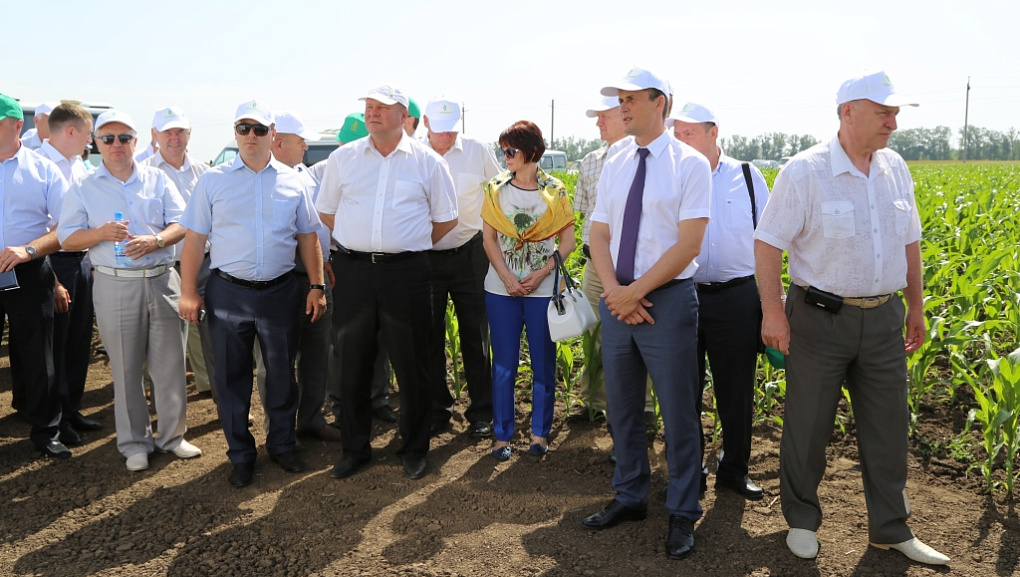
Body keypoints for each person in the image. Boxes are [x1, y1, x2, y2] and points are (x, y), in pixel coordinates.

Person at [755, 70, 949, 566]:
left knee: (888, 427)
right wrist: (774, 314)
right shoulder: (806, 170)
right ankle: (801, 520)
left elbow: (910, 241)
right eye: (884, 112)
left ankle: (890, 528)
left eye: (895, 113)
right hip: (818, 320)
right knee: (808, 425)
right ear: (847, 112)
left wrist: (917, 306)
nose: (893, 122)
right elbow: (768, 243)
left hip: (884, 319)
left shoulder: (894, 168)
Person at [580, 68, 710, 561]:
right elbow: (599, 233)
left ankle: (682, 510)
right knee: (623, 406)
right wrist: (616, 291)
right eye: (619, 98)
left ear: (661, 102)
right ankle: (631, 495)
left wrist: (636, 292)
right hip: (619, 300)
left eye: (631, 98)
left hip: (668, 301)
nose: (623, 106)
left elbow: (690, 243)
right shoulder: (616, 160)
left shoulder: (689, 164)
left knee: (678, 413)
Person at [178, 100, 327, 488]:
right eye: (243, 128)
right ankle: (241, 455)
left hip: (280, 293)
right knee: (231, 379)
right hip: (228, 293)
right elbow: (195, 239)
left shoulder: (294, 180)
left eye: (259, 129)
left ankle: (282, 446)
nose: (251, 136)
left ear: (272, 134)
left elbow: (307, 236)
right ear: (235, 132)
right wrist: (189, 291)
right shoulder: (213, 180)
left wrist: (316, 286)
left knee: (280, 375)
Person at [316, 84, 457, 481]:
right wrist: (362, 243)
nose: (373, 113)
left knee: (412, 364)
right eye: (369, 106)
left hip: (407, 274)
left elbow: (446, 220)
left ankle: (413, 448)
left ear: (404, 117)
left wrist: (404, 245)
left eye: (383, 107)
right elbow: (327, 212)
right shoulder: (343, 159)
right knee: (353, 363)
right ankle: (355, 449)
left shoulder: (428, 163)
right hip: (355, 272)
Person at [58, 109, 201, 472]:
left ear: (137, 142)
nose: (117, 145)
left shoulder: (156, 179)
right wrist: (100, 234)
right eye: (108, 138)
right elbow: (67, 237)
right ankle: (135, 442)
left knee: (169, 365)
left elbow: (182, 222)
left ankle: (171, 437)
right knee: (125, 369)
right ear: (96, 144)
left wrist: (155, 240)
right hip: (114, 283)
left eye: (124, 138)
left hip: (161, 279)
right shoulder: (83, 186)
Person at [670, 102, 770, 501]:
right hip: (683, 296)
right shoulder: (672, 178)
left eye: (688, 133)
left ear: (714, 133)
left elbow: (769, 237)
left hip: (737, 298)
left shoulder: (746, 176)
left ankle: (733, 470)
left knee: (736, 390)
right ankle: (691, 473)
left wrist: (772, 302)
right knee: (684, 390)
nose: (681, 141)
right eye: (676, 135)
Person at [480, 120, 575, 460]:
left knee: (543, 363)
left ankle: (539, 434)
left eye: (511, 151)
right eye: (502, 150)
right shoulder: (495, 188)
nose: (504, 156)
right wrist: (506, 277)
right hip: (500, 289)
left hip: (541, 289)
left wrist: (541, 274)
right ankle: (502, 437)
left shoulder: (556, 190)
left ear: (532, 152)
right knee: (504, 364)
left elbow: (568, 241)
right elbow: (489, 238)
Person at [256, 110, 342, 442]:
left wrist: (324, 262)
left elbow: (316, 230)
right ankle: (277, 428)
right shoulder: (264, 180)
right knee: (276, 360)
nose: (306, 146)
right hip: (283, 279)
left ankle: (309, 418)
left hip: (316, 278)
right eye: (300, 140)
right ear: (277, 142)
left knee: (316, 352)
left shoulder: (306, 176)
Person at [422, 96, 501, 438]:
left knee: (476, 334)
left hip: (471, 253)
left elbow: (500, 190)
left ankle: (481, 411)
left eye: (452, 131)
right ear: (426, 124)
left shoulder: (477, 150)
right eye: (440, 132)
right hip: (425, 256)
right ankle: (438, 408)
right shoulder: (411, 155)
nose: (447, 138)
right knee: (429, 336)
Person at [315, 112, 397, 426]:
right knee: (343, 340)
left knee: (379, 335)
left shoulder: (385, 171)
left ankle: (378, 399)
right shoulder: (322, 172)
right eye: (342, 144)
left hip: (378, 264)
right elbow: (317, 220)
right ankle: (340, 402)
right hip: (341, 262)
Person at [0, 93, 67, 458]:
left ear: (16, 126)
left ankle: (45, 431)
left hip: (28, 272)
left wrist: (27, 250)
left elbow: (66, 227)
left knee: (38, 355)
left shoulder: (43, 170)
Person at [36, 103, 101, 445]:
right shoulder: (39, 166)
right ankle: (54, 419)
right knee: (55, 346)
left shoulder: (79, 166)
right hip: (54, 265)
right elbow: (44, 227)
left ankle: (72, 409)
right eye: (90, 133)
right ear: (72, 131)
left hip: (81, 261)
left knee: (77, 342)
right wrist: (55, 280)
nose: (92, 141)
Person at [140, 107, 213, 398]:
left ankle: (207, 384)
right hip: (162, 265)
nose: (174, 137)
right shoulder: (142, 171)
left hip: (202, 263)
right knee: (159, 331)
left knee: (202, 324)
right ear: (154, 135)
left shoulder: (204, 172)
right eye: (167, 132)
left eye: (180, 131)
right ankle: (152, 388)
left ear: (189, 134)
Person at [573, 96, 628, 420]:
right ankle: (592, 402)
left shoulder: (645, 158)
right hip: (595, 263)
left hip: (634, 265)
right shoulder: (591, 161)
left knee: (639, 336)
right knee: (592, 332)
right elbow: (581, 212)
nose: (598, 123)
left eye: (604, 116)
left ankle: (644, 409)